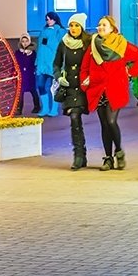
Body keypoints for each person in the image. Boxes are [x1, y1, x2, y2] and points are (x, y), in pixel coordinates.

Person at [81, 15, 138, 171]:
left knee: (111, 122)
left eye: (104, 25)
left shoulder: (121, 44)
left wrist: (131, 73)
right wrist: (85, 80)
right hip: (98, 89)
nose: (100, 27)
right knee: (104, 125)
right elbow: (85, 67)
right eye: (99, 25)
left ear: (112, 28)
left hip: (114, 88)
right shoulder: (93, 46)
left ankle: (119, 151)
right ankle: (108, 158)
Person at [54, 14, 91, 169]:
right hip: (69, 86)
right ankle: (79, 155)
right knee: (74, 118)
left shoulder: (88, 42)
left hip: (83, 86)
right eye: (71, 25)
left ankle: (83, 155)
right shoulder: (64, 43)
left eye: (77, 25)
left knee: (77, 117)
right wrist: (58, 77)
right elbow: (56, 64)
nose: (74, 29)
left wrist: (91, 76)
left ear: (82, 27)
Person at [34, 12, 64, 117]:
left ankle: (54, 109)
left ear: (55, 19)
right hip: (42, 65)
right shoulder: (43, 31)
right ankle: (45, 108)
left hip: (53, 64)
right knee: (41, 86)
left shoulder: (60, 32)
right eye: (46, 19)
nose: (48, 21)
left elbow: (61, 48)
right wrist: (37, 62)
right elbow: (39, 48)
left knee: (54, 87)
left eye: (50, 19)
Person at [14, 33, 40, 115]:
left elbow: (35, 63)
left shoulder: (33, 53)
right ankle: (19, 108)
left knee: (33, 91)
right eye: (23, 41)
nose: (24, 43)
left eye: (26, 41)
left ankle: (37, 106)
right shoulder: (18, 53)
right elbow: (15, 63)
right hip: (21, 75)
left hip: (30, 75)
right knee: (20, 92)